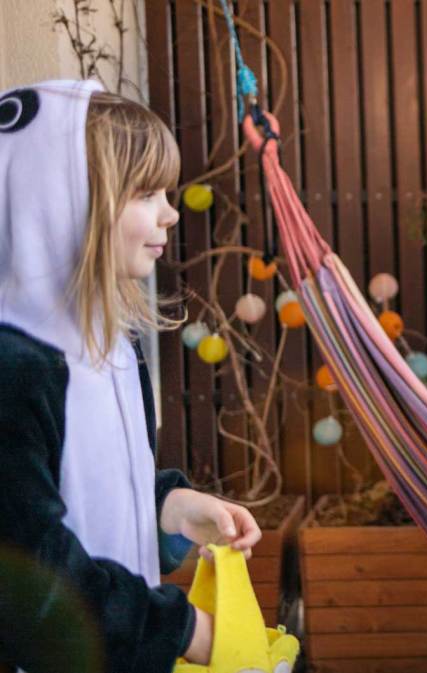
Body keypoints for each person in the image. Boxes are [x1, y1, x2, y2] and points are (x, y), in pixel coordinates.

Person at [0, 80, 261, 673]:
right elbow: (30, 568)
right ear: (61, 202)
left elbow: (94, 485)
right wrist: (183, 629)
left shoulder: (113, 344)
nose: (170, 211)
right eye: (146, 193)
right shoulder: (14, 369)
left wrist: (172, 506)